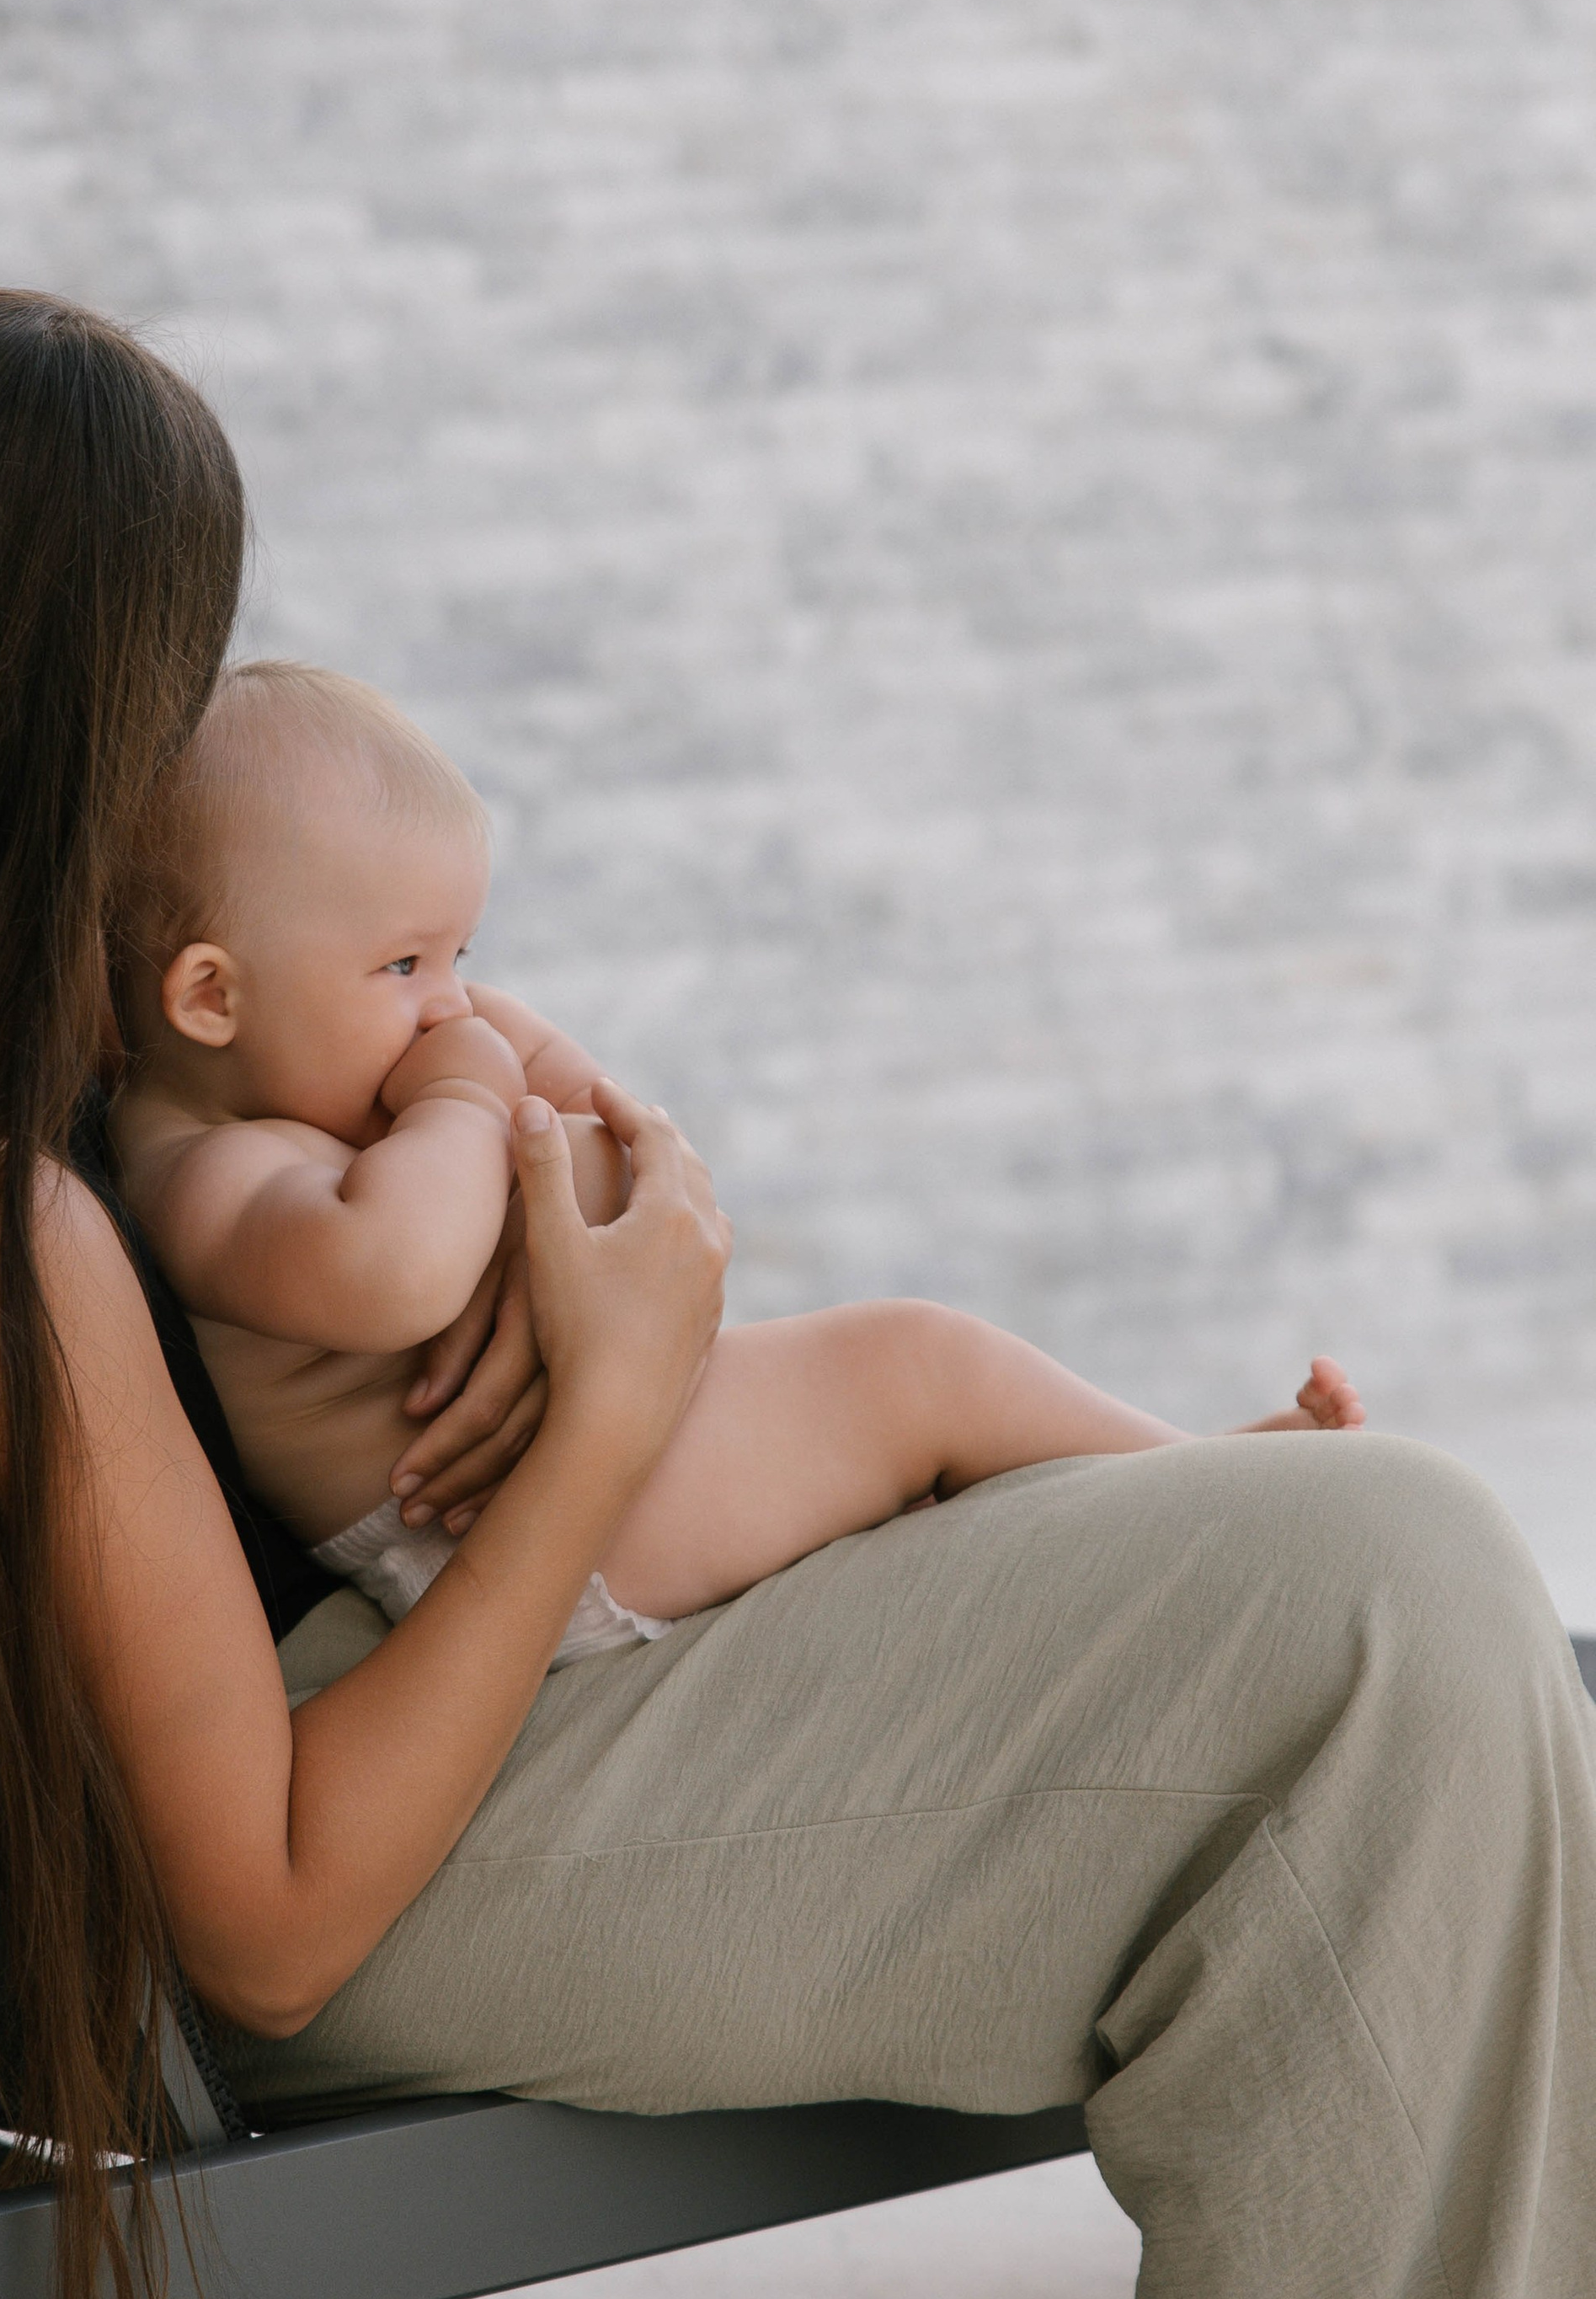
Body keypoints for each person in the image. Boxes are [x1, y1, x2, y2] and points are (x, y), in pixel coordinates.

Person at [0, 286, 1596, 2299]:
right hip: (369, 1842)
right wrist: (604, 1412)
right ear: (40, 737)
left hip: (413, 1705)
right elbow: (265, 1917)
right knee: (1391, 1602)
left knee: (1401, 1634)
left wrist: (534, 1155)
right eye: (162, 687)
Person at [110, 658, 1368, 1669]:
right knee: (920, 1368)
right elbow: (400, 1271)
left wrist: (547, 1103)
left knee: (918, 1483)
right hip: (517, 1539)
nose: (452, 1004)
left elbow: (617, 1127)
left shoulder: (337, 1069)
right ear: (212, 997)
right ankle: (1206, 1499)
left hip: (596, 1463)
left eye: (462, 955)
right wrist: (467, 1093)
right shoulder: (208, 1175)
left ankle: (1173, 1480)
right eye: (402, 965)